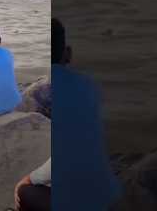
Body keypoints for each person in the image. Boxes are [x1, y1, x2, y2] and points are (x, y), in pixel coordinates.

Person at [51, 18, 121, 210]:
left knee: (23, 189)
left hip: (67, 198)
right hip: (106, 192)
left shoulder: (43, 90)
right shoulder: (89, 85)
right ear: (68, 54)